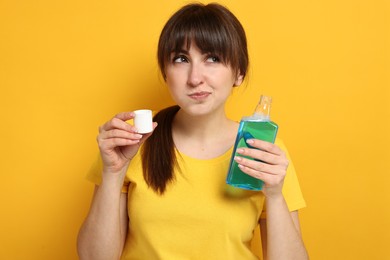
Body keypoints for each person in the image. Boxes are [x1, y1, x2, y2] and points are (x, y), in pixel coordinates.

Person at [77, 2, 308, 260]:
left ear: (239, 73)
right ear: (166, 72)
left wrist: (275, 196)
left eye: (213, 58)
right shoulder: (130, 143)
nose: (195, 78)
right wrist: (112, 173)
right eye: (181, 59)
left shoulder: (261, 150)